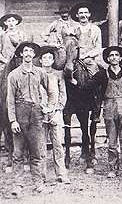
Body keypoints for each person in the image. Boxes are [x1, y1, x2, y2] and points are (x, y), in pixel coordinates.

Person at [71, 46, 122, 180]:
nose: (114, 57)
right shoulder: (102, 74)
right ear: (107, 59)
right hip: (109, 107)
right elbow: (89, 85)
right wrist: (76, 82)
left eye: (116, 55)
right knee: (112, 140)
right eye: (111, 55)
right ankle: (112, 168)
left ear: (120, 58)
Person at [7, 42, 57, 195]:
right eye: (25, 51)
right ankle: (18, 185)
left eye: (31, 51)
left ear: (35, 55)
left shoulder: (41, 73)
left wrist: (49, 107)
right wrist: (13, 120)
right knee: (18, 153)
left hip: (36, 114)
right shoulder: (14, 74)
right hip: (20, 112)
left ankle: (38, 183)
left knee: (37, 152)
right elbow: (10, 99)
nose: (28, 53)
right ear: (21, 54)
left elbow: (51, 92)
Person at [0, 13, 31, 130]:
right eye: (8, 21)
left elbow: (27, 51)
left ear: (16, 22)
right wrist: (5, 61)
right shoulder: (0, 36)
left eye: (13, 20)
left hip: (21, 64)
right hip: (4, 65)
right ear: (5, 23)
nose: (11, 23)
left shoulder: (22, 35)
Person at [38, 46, 71, 184]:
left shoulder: (58, 74)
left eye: (49, 58)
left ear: (53, 60)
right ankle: (41, 175)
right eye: (44, 58)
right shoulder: (35, 74)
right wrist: (41, 107)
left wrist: (58, 109)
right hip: (39, 114)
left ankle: (62, 174)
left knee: (58, 144)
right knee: (40, 145)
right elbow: (33, 93)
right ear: (40, 60)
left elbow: (62, 94)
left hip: (55, 113)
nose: (47, 60)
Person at [70, 2, 102, 76]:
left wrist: (87, 55)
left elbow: (98, 47)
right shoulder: (72, 29)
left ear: (89, 14)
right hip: (75, 58)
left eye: (86, 13)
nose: (83, 15)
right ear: (77, 15)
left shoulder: (96, 29)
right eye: (81, 13)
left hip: (90, 57)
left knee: (94, 69)